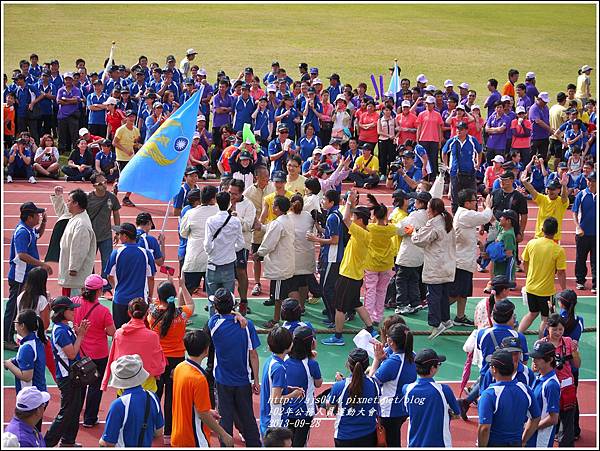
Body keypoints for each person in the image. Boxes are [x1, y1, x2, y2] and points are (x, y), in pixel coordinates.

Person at [322, 190, 379, 346]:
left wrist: (348, 201)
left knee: (339, 307)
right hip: (356, 276)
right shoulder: (365, 231)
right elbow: (350, 218)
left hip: (348, 275)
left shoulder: (361, 233)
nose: (352, 218)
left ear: (360, 220)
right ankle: (371, 329)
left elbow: (345, 218)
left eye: (355, 216)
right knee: (356, 303)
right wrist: (352, 203)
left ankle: (338, 337)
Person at [207, 288, 262, 447]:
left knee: (225, 420)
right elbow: (253, 355)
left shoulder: (213, 324)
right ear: (233, 305)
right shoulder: (247, 326)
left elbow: (220, 316)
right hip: (243, 381)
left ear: (216, 307)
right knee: (248, 419)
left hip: (222, 381)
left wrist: (234, 314)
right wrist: (256, 381)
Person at [146, 276, 194, 443]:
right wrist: (182, 286)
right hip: (177, 361)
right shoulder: (181, 314)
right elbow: (191, 305)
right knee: (172, 398)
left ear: (159, 297)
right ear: (173, 296)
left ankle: (153, 428)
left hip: (158, 360)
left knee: (155, 395)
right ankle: (168, 433)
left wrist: (168, 289)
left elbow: (153, 302)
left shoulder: (152, 313)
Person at [171, 330, 234, 447]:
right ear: (206, 350)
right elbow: (202, 414)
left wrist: (208, 411)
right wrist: (223, 434)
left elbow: (188, 400)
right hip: (194, 438)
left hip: (177, 435)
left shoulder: (180, 368)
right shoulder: (199, 379)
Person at [44, 297, 89, 448]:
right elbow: (71, 353)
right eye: (71, 309)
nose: (74, 311)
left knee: (74, 409)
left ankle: (68, 440)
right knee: (67, 412)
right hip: (67, 376)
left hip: (70, 375)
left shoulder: (64, 327)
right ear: (63, 312)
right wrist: (81, 335)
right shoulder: (61, 331)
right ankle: (48, 443)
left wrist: (78, 333)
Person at [5, 202, 50, 351]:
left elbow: (38, 235)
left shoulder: (29, 229)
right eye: (37, 215)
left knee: (23, 306)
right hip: (19, 277)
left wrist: (43, 223)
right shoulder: (22, 232)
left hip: (26, 275)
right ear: (29, 217)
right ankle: (6, 337)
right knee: (13, 308)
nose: (38, 216)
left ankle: (23, 330)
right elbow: (22, 254)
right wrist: (41, 264)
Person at [72, 274, 116, 429]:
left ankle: (75, 415)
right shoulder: (103, 311)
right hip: (99, 354)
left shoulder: (75, 303)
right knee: (95, 387)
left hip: (80, 352)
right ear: (98, 291)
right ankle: (90, 419)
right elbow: (112, 332)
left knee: (80, 386)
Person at [410, 198, 456, 339]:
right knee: (443, 294)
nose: (427, 211)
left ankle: (436, 324)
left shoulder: (433, 224)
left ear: (434, 210)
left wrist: (413, 232)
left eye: (428, 208)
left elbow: (419, 240)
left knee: (433, 296)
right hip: (447, 264)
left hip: (436, 266)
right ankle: (446, 319)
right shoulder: (446, 221)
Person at [477, 349, 541, 447]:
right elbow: (536, 417)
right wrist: (523, 440)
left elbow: (484, 428)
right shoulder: (525, 389)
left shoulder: (489, 394)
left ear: (494, 369)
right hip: (516, 443)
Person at [101, 298, 167, 394]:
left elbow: (113, 358)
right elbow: (158, 362)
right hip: (146, 385)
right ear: (146, 313)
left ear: (129, 313)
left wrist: (105, 381)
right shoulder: (152, 336)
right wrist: (157, 373)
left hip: (124, 383)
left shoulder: (119, 333)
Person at [100, 354, 165, 447]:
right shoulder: (153, 397)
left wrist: (101, 442)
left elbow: (108, 442)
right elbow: (158, 432)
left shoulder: (119, 405)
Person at [368, 323, 416, 446]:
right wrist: (384, 359)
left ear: (390, 341)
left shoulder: (393, 363)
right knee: (393, 439)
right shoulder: (412, 355)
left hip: (389, 411)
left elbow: (372, 383)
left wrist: (377, 359)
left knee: (389, 443)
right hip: (404, 406)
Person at [518, 217, 567, 337]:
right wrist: (564, 290)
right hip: (546, 291)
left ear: (542, 229)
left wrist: (528, 275)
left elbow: (525, 261)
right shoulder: (558, 250)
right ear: (556, 231)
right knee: (546, 319)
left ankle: (517, 334)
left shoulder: (532, 243)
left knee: (532, 313)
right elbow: (560, 272)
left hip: (530, 287)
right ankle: (542, 343)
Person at [450, 190, 493, 325]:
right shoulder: (465, 214)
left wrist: (478, 243)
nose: (476, 203)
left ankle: (460, 316)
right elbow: (485, 217)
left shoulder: (465, 214)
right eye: (475, 201)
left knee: (464, 292)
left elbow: (467, 234)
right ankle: (438, 311)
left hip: (466, 260)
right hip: (461, 261)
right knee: (455, 293)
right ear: (467, 203)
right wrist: (488, 206)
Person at [538, 313, 581, 446]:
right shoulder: (541, 345)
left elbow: (577, 365)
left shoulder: (568, 342)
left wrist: (574, 352)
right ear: (547, 328)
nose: (558, 332)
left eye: (561, 329)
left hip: (567, 387)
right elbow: (535, 368)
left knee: (567, 422)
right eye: (554, 329)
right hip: (549, 388)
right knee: (548, 419)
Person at [402, 348, 460, 447]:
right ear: (433, 368)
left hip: (414, 444)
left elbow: (407, 411)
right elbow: (457, 413)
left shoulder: (406, 389)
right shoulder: (444, 390)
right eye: (438, 364)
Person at [306, 189, 346, 328]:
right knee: (328, 287)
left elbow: (334, 240)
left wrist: (315, 238)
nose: (322, 202)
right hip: (331, 256)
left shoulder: (332, 217)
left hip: (332, 257)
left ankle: (334, 317)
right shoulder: (335, 214)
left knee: (326, 288)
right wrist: (319, 229)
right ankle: (332, 315)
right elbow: (330, 234)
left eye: (324, 199)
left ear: (331, 202)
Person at [254, 195, 296, 328]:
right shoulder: (286, 220)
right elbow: (271, 228)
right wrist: (261, 226)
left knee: (278, 296)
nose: (272, 207)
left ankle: (276, 320)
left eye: (273, 205)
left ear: (277, 208)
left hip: (279, 265)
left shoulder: (278, 223)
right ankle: (293, 314)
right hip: (286, 262)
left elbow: (269, 243)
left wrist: (258, 253)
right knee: (287, 291)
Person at [105, 223, 156, 328]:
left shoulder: (116, 253)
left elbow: (109, 276)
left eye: (119, 234)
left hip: (120, 300)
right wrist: (150, 296)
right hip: (140, 302)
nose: (118, 236)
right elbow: (151, 278)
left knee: (120, 332)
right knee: (140, 332)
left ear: (125, 237)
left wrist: (116, 288)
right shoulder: (146, 253)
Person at [327, 348, 380, 447]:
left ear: (348, 365)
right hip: (369, 436)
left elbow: (329, 409)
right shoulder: (375, 384)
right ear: (366, 365)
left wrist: (337, 386)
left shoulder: (340, 386)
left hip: (344, 437)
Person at [204, 191, 245, 315]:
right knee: (228, 300)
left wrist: (212, 252)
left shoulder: (210, 220)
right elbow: (241, 244)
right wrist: (231, 250)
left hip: (213, 263)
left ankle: (213, 323)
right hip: (228, 264)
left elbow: (207, 244)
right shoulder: (235, 221)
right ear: (229, 203)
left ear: (216, 202)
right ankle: (228, 324)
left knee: (212, 299)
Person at [259, 327, 305, 437]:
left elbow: (272, 386)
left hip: (267, 419)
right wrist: (294, 394)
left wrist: (287, 388)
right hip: (276, 422)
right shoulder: (279, 368)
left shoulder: (270, 361)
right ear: (289, 345)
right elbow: (275, 399)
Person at [363, 196, 399, 326]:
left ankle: (367, 316)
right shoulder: (391, 229)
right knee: (381, 291)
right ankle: (377, 317)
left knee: (370, 290)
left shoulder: (370, 228)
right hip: (386, 264)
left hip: (371, 263)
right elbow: (398, 227)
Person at [282, 325, 322, 446]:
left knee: (287, 442)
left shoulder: (284, 360)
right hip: (305, 412)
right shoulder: (312, 364)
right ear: (311, 344)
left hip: (286, 410)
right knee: (300, 444)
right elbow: (318, 384)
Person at [394, 191, 431, 314]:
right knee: (414, 279)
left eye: (416, 200)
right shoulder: (430, 215)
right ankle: (415, 302)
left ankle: (402, 304)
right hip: (420, 255)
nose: (413, 202)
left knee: (401, 280)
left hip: (408, 253)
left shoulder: (415, 215)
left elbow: (400, 229)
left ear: (420, 203)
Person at [85, 173, 121, 297]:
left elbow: (116, 213)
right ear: (94, 185)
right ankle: (92, 284)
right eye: (100, 183)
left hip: (106, 236)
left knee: (107, 262)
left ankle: (105, 286)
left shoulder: (111, 197)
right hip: (91, 237)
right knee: (90, 262)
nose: (104, 185)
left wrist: (117, 231)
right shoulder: (88, 198)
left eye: (105, 182)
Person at [56, 188, 96, 297]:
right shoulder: (75, 217)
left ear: (76, 203)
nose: (67, 203)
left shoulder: (81, 224)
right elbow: (62, 212)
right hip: (72, 277)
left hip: (75, 279)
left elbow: (80, 248)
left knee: (74, 307)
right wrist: (58, 197)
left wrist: (74, 267)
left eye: (68, 201)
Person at [180, 185, 219, 294]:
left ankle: (180, 310)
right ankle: (215, 311)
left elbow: (183, 233)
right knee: (215, 293)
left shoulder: (190, 213)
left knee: (185, 290)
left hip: (194, 258)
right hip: (214, 259)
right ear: (213, 198)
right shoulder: (219, 211)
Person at [243, 165, 275, 297]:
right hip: (256, 231)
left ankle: (274, 284)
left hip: (272, 228)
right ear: (256, 177)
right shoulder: (248, 192)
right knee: (256, 258)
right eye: (263, 177)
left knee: (273, 256)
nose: (266, 179)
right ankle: (257, 283)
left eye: (268, 177)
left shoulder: (273, 187)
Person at [3, 309, 48, 402]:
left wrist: (9, 365)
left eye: (16, 322)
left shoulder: (26, 348)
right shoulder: (36, 341)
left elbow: (27, 377)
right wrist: (13, 360)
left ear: (22, 325)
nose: (14, 324)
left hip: (30, 398)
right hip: (38, 393)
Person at [228, 178, 256, 315]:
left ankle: (244, 301)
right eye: (230, 192)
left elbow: (248, 226)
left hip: (241, 245)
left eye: (234, 194)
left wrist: (236, 216)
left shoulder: (249, 205)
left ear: (241, 194)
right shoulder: (223, 200)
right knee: (226, 273)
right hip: (225, 245)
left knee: (241, 272)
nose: (231, 196)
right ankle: (225, 301)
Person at [442, 121, 483, 213]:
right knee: (455, 198)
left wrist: (478, 164)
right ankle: (455, 218)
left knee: (472, 196)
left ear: (466, 130)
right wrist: (447, 166)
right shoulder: (452, 141)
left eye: (461, 129)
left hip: (470, 173)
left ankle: (474, 217)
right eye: (457, 129)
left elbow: (479, 151)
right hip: (455, 173)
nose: (458, 131)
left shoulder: (472, 140)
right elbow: (444, 152)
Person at [526, 341, 561, 447]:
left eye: (538, 358)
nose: (534, 360)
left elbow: (553, 418)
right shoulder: (538, 377)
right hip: (532, 434)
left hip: (540, 439)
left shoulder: (551, 385)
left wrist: (532, 427)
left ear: (550, 360)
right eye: (533, 357)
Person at [520, 171, 569, 241]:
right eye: (549, 189)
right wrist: (525, 182)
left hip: (553, 238)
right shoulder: (542, 199)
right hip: (539, 236)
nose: (550, 191)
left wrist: (564, 186)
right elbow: (532, 191)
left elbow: (564, 197)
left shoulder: (561, 202)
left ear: (558, 190)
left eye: (553, 189)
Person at [572, 171, 596, 292]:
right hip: (582, 234)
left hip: (596, 234)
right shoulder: (581, 195)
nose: (590, 183)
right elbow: (574, 212)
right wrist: (578, 227)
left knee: (595, 260)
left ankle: (595, 283)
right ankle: (580, 281)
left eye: (593, 181)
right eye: (588, 180)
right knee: (580, 258)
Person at [112, 110, 141, 207]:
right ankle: (113, 194)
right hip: (121, 158)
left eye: (133, 117)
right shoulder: (121, 130)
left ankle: (126, 198)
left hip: (131, 158)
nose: (132, 119)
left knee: (133, 178)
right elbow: (114, 143)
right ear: (126, 118)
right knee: (122, 179)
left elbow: (135, 142)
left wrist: (138, 146)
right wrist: (125, 150)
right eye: (130, 117)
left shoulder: (136, 130)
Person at [415, 96, 444, 177]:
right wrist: (417, 139)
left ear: (433, 104)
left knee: (433, 159)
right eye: (427, 103)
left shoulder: (437, 114)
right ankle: (423, 176)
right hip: (423, 139)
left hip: (434, 140)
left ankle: (433, 176)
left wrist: (439, 140)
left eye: (430, 104)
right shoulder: (421, 114)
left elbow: (439, 128)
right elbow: (419, 128)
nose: (428, 105)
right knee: (423, 159)